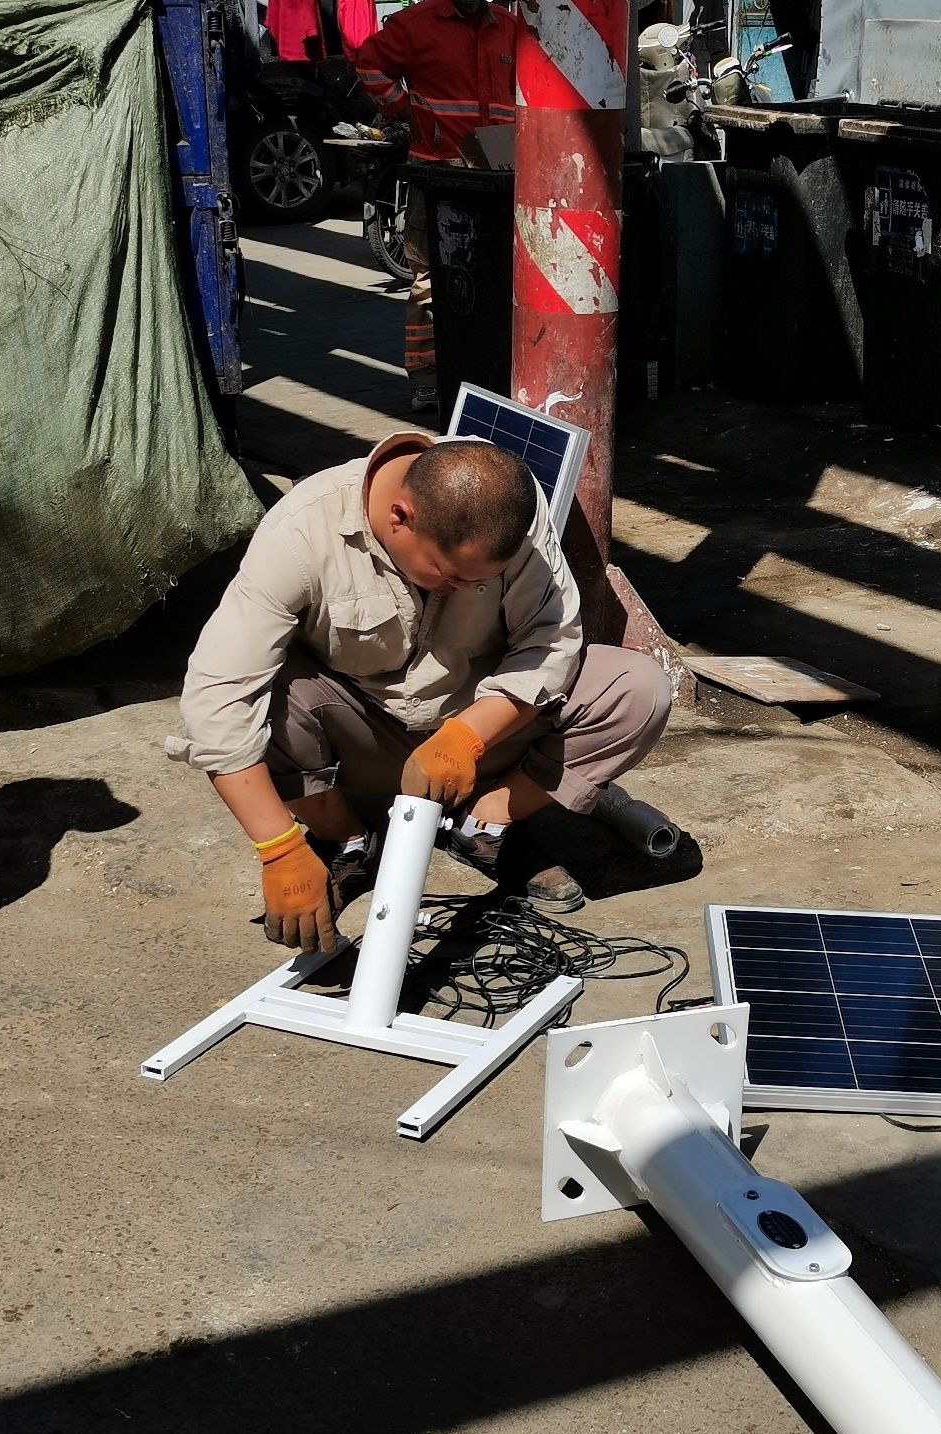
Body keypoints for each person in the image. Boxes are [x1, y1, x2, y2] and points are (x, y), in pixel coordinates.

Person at [167, 435, 672, 953]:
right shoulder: (299, 534)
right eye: (448, 574)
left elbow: (551, 642)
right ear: (399, 517)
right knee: (266, 690)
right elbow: (217, 695)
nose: (458, 586)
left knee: (638, 689)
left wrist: (467, 736)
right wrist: (277, 847)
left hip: (485, 730)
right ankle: (347, 841)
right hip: (362, 730)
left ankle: (485, 822)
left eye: (477, 580)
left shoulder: (510, 512)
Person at [355, 0, 518, 413]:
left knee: (499, 278)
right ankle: (428, 378)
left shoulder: (510, 28)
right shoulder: (417, 24)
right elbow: (370, 65)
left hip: (497, 172)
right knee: (431, 279)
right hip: (438, 170)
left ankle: (487, 369)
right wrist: (405, 109)